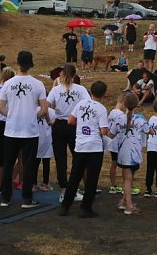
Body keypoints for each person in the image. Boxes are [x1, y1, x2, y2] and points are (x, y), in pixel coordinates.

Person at [0, 50, 49, 209]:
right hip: (30, 131)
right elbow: (44, 109)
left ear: (18, 63)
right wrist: (33, 116)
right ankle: (27, 199)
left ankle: (5, 198)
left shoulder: (8, 84)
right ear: (31, 64)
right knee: (28, 165)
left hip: (11, 130)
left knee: (8, 164)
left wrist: (11, 115)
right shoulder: (38, 84)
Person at [59, 80, 109, 218]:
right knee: (92, 178)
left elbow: (70, 121)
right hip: (94, 147)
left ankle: (65, 206)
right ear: (104, 94)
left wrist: (81, 126)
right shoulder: (101, 109)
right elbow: (104, 130)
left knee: (74, 176)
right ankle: (85, 208)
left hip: (80, 145)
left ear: (90, 91)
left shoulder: (81, 104)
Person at [47, 64, 89, 198]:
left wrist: (49, 119)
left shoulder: (56, 90)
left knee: (60, 159)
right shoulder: (80, 89)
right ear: (74, 75)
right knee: (77, 157)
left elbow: (46, 105)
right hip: (74, 124)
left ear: (63, 74)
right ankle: (73, 188)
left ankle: (64, 189)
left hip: (59, 124)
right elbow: (87, 104)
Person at [108, 93, 150, 215]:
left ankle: (124, 201)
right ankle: (129, 206)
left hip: (123, 152)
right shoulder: (140, 119)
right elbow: (149, 131)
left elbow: (111, 135)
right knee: (128, 178)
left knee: (128, 177)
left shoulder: (118, 118)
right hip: (135, 152)